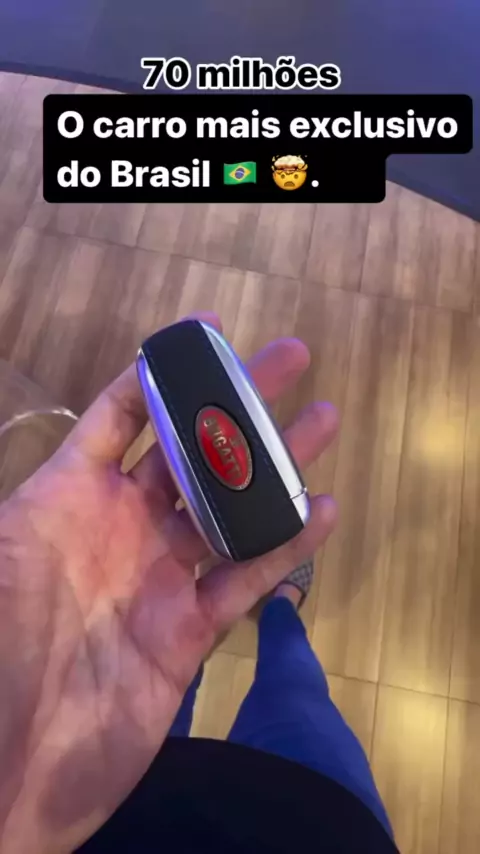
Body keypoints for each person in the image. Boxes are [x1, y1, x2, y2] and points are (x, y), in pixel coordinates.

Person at [0, 313, 397, 853]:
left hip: (123, 801)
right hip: (308, 822)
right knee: (294, 689)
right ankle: (280, 610)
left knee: (177, 663)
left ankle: (238, 620)